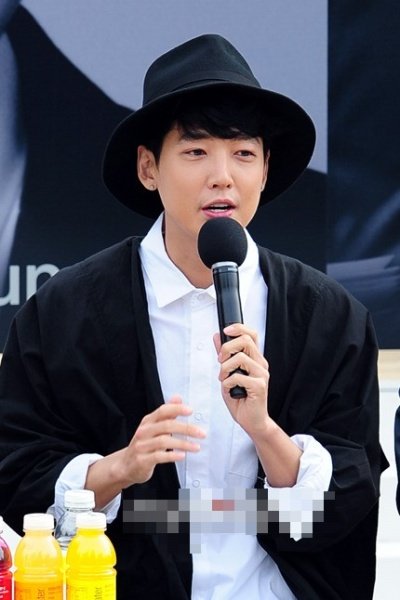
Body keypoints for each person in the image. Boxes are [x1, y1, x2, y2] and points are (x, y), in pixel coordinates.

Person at [0, 34, 388, 599]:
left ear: (265, 170)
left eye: (243, 154)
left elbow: (352, 491)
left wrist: (264, 429)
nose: (222, 176)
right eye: (196, 151)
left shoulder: (329, 316)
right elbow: (17, 468)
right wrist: (122, 467)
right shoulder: (66, 310)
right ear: (148, 167)